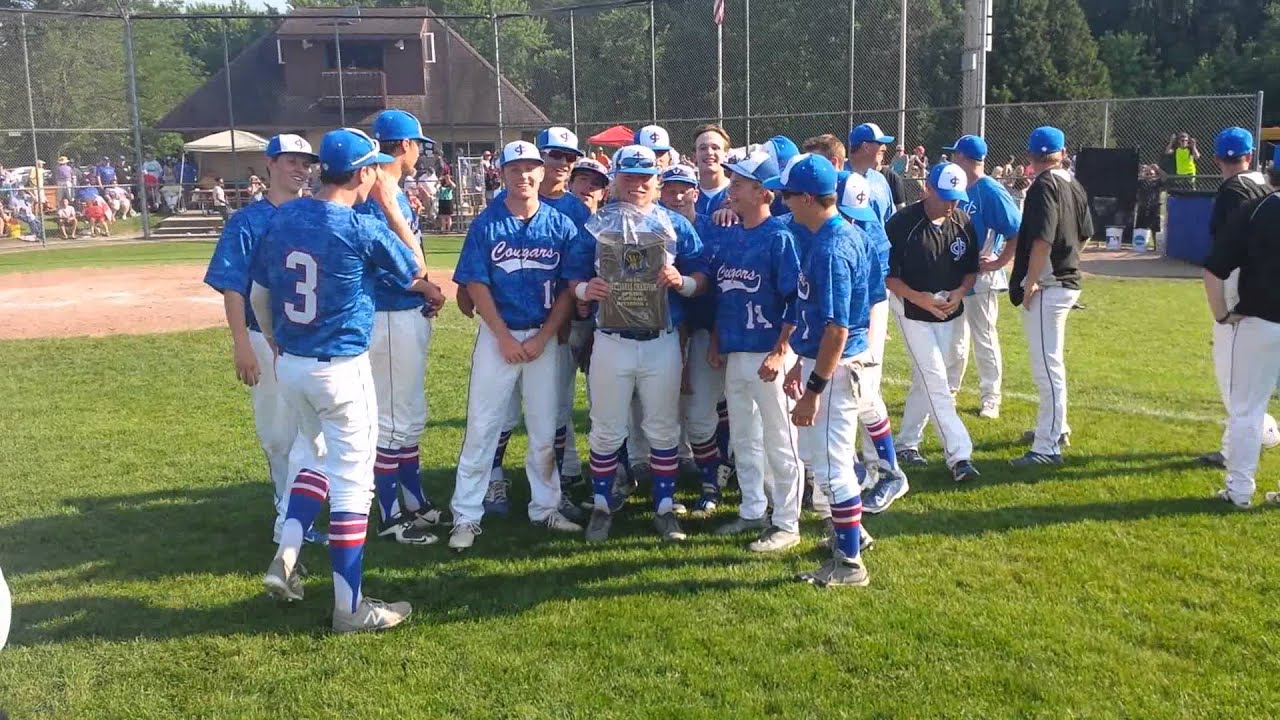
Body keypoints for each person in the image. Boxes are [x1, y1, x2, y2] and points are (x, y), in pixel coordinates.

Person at [251, 127, 432, 633]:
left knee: (312, 458)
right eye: (372, 167)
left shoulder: (283, 216)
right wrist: (392, 206)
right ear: (361, 172)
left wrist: (275, 341)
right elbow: (413, 267)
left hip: (292, 361)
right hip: (339, 368)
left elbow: (261, 294)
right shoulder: (359, 227)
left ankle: (286, 554)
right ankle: (349, 608)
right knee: (354, 488)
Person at [447, 140, 585, 551]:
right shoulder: (487, 223)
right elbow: (475, 284)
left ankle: (546, 508)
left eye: (530, 168)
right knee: (482, 428)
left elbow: (567, 288)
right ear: (502, 174)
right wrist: (504, 336)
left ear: (542, 173)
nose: (523, 176)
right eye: (514, 169)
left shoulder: (561, 225)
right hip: (498, 337)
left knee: (545, 428)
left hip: (544, 336)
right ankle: (466, 516)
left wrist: (544, 337)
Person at [575, 144, 709, 544]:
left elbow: (703, 276)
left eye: (645, 177)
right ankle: (602, 506)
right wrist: (586, 288)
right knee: (605, 428)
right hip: (612, 338)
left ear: (657, 180)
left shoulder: (675, 224)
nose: (637, 184)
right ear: (615, 179)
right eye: (629, 176)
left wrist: (680, 282)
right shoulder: (597, 224)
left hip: (660, 339)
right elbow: (571, 277)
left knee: (663, 428)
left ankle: (665, 509)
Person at [203, 134, 326, 546]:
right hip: (265, 339)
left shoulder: (319, 214)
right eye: (291, 160)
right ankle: (287, 512)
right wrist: (241, 343)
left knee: (318, 433)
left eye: (305, 162)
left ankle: (304, 513)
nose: (300, 169)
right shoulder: (247, 221)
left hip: (313, 341)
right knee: (278, 433)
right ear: (270, 164)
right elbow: (233, 286)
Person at [770, 153, 874, 587]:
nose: (784, 201)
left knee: (831, 468)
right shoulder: (832, 233)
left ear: (809, 198)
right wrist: (799, 358)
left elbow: (837, 329)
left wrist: (814, 388)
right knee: (820, 457)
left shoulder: (831, 246)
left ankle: (849, 564)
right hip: (827, 360)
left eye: (790, 195)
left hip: (836, 365)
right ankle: (854, 535)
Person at [704, 149, 804, 551]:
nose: (733, 190)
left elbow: (796, 300)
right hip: (737, 352)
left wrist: (781, 350)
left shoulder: (780, 237)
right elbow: (721, 296)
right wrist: (715, 341)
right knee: (744, 436)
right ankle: (751, 508)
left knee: (781, 439)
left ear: (764, 193)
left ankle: (787, 521)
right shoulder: (731, 236)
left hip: (769, 354)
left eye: (741, 184)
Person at [359, 109, 449, 546]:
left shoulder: (391, 191)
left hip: (405, 312)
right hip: (389, 314)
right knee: (392, 419)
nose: (420, 154)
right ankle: (390, 513)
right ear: (406, 146)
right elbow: (385, 265)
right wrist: (425, 287)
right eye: (418, 146)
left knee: (410, 414)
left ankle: (412, 499)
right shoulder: (376, 197)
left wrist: (425, 288)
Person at [986, 126, 1093, 466]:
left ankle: (1048, 446)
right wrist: (1069, 262)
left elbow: (1043, 239)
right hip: (1065, 280)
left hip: (1049, 285)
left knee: (1047, 367)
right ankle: (1055, 426)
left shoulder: (1044, 186)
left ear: (1031, 156)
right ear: (1062, 152)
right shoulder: (1072, 184)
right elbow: (1086, 234)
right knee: (1051, 364)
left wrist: (1032, 281)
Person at [884, 163, 981, 482]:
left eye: (956, 197)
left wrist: (960, 291)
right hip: (913, 310)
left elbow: (970, 269)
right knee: (935, 379)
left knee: (943, 375)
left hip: (951, 309)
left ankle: (906, 442)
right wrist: (918, 297)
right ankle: (959, 455)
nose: (952, 204)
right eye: (946, 196)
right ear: (928, 188)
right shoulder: (902, 223)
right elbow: (888, 275)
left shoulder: (963, 221)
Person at [1203, 146, 1280, 509]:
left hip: (1261, 320)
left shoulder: (1258, 210)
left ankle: (1239, 491)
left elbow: (1214, 268)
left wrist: (1221, 314)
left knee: (1247, 409)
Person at [937, 135, 1022, 422]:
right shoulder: (958, 188)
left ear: (964, 158)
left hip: (982, 278)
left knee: (983, 337)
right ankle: (949, 392)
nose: (950, 161)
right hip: (954, 275)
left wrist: (999, 261)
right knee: (954, 339)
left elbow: (1015, 231)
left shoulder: (990, 190)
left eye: (954, 156)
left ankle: (991, 398)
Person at [847, 123, 896, 226]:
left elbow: (891, 220)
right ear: (866, 147)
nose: (885, 148)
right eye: (880, 143)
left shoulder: (880, 179)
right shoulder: (839, 177)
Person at [693, 124, 732, 216]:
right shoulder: (687, 195)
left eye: (715, 148)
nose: (709, 152)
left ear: (726, 153)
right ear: (694, 155)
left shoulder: (738, 194)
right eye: (703, 148)